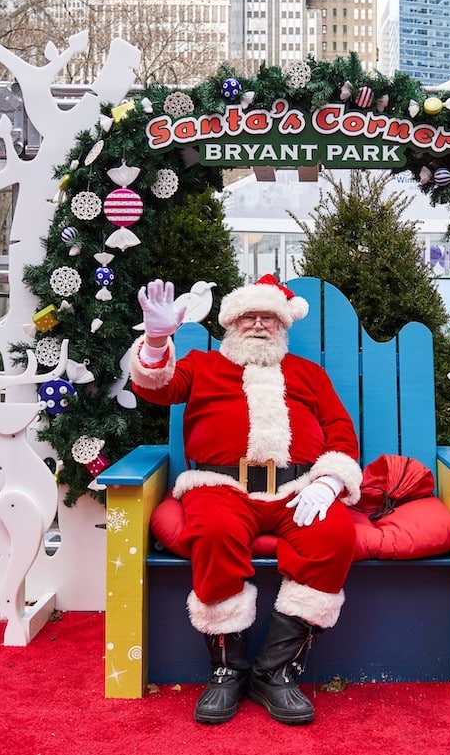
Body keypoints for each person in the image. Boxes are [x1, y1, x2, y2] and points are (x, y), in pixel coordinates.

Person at [129, 275, 362, 726]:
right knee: (214, 534)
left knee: (332, 535)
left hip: (298, 488)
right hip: (220, 487)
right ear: (231, 325)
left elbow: (340, 429)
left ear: (283, 327)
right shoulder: (202, 366)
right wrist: (157, 339)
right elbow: (155, 387)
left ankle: (274, 673)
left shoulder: (307, 374)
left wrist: (329, 481)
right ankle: (227, 670)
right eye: (248, 317)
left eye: (269, 318)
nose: (259, 325)